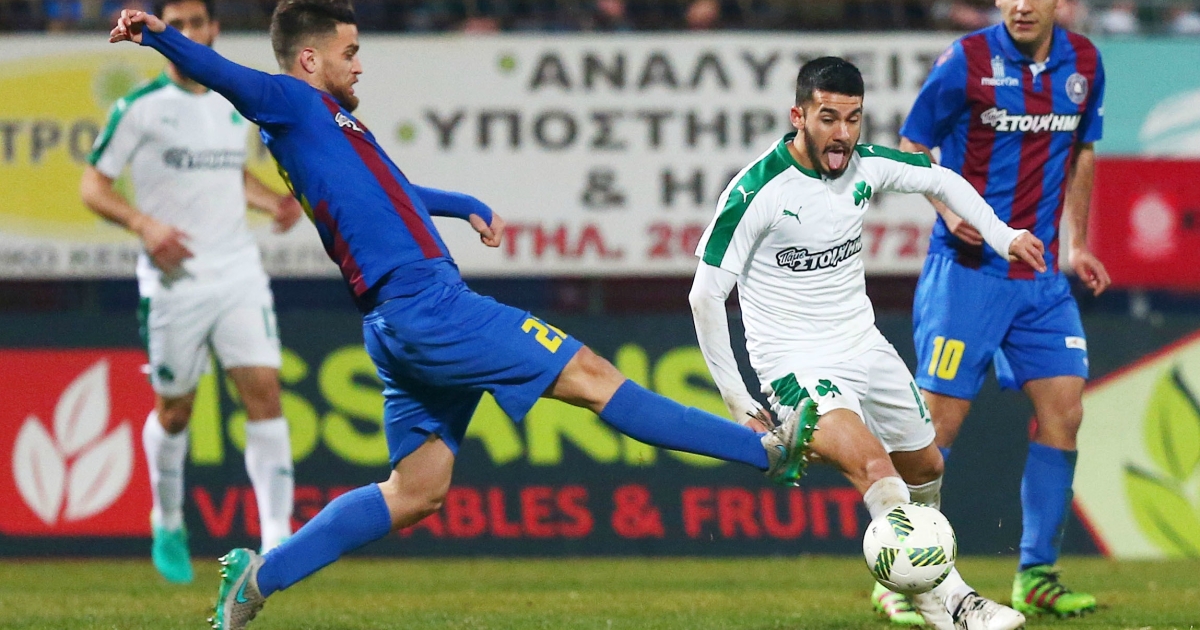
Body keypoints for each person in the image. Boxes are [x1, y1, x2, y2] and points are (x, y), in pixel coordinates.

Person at [107, 2, 813, 627]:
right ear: (311, 59)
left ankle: (259, 580)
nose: (360, 64)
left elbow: (392, 190)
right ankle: (764, 451)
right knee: (595, 377)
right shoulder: (290, 100)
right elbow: (230, 77)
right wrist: (160, 35)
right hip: (431, 307)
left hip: (395, 322)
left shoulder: (332, 125)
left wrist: (460, 204)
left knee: (415, 492)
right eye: (350, 52)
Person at [690, 57, 1040, 630]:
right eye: (828, 118)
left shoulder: (866, 166)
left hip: (865, 347)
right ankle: (955, 603)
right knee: (877, 469)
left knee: (925, 466)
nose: (843, 134)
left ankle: (917, 587)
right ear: (798, 117)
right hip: (796, 366)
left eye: (853, 119)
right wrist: (738, 402)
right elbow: (705, 296)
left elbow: (939, 178)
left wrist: (1002, 236)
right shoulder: (758, 191)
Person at [898, 0, 1109, 619]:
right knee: (934, 432)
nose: (1021, 5)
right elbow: (912, 143)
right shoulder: (965, 60)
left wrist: (1077, 243)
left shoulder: (1085, 61)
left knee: (1065, 412)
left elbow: (1083, 151)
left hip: (1040, 278)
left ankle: (1036, 574)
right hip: (967, 274)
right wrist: (947, 211)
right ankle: (901, 578)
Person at [81, 0, 303, 585]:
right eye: (174, 25)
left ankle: (278, 541)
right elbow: (93, 186)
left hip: (238, 271)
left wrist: (273, 203)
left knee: (264, 392)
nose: (186, 33)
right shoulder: (140, 108)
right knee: (176, 411)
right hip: (174, 281)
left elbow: (226, 172)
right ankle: (168, 518)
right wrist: (145, 226)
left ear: (213, 30)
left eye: (194, 23)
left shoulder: (232, 105)